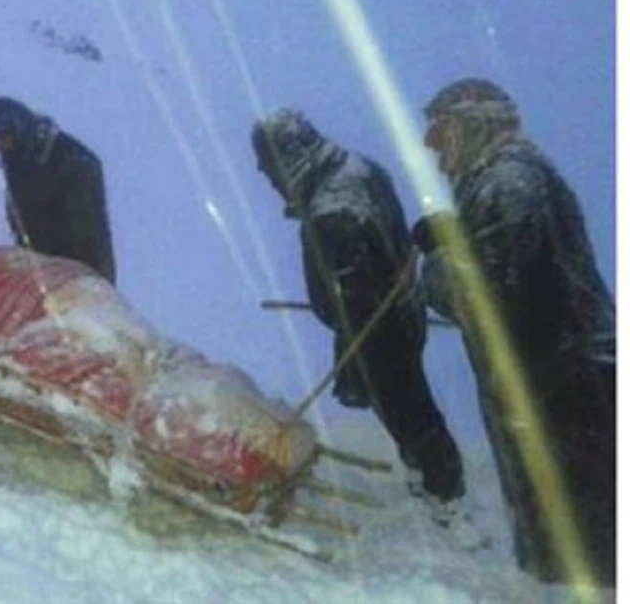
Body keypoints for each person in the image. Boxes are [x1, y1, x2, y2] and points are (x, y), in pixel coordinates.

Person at [415, 79, 615, 586]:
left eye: (441, 134)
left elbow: (489, 297)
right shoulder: (506, 181)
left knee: (585, 546)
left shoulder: (509, 184)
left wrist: (437, 265)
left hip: (561, 390)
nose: (434, 151)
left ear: (471, 127)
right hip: (557, 382)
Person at [250, 108, 466, 517]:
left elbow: (359, 305)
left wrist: (350, 364)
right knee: (414, 405)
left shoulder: (332, 213)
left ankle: (444, 499)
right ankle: (440, 486)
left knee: (405, 410)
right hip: (402, 310)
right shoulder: (359, 168)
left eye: (267, 166)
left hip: (379, 328)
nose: (267, 177)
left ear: (286, 155)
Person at [0, 96, 116, 284]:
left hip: (81, 278)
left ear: (17, 128)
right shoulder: (19, 164)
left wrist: (82, 280)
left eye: (2, 138)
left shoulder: (70, 161)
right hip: (47, 277)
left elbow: (83, 231)